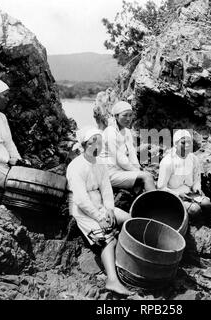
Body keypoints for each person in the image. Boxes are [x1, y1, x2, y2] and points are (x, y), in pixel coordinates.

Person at [66, 127, 133, 296]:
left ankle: (129, 258)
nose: (97, 145)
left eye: (100, 142)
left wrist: (109, 209)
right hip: (83, 210)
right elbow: (81, 199)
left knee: (129, 219)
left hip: (101, 205)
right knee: (107, 240)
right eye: (92, 142)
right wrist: (99, 218)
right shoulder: (76, 167)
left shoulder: (100, 164)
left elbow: (106, 189)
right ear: (83, 145)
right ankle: (112, 279)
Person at [101, 101, 155, 192]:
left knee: (148, 176)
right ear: (116, 116)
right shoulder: (110, 132)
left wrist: (137, 168)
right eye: (125, 115)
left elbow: (132, 154)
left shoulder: (127, 131)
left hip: (122, 170)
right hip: (109, 173)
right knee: (147, 177)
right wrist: (136, 171)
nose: (128, 119)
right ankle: (157, 204)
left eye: (130, 115)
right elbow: (119, 158)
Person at [157, 130, 211, 218]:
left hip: (189, 194)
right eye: (183, 143)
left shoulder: (194, 159)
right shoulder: (168, 161)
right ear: (175, 144)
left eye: (189, 142)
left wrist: (197, 188)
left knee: (207, 205)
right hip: (173, 195)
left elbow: (197, 180)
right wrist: (178, 195)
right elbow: (161, 188)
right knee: (195, 210)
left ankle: (208, 223)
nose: (187, 146)